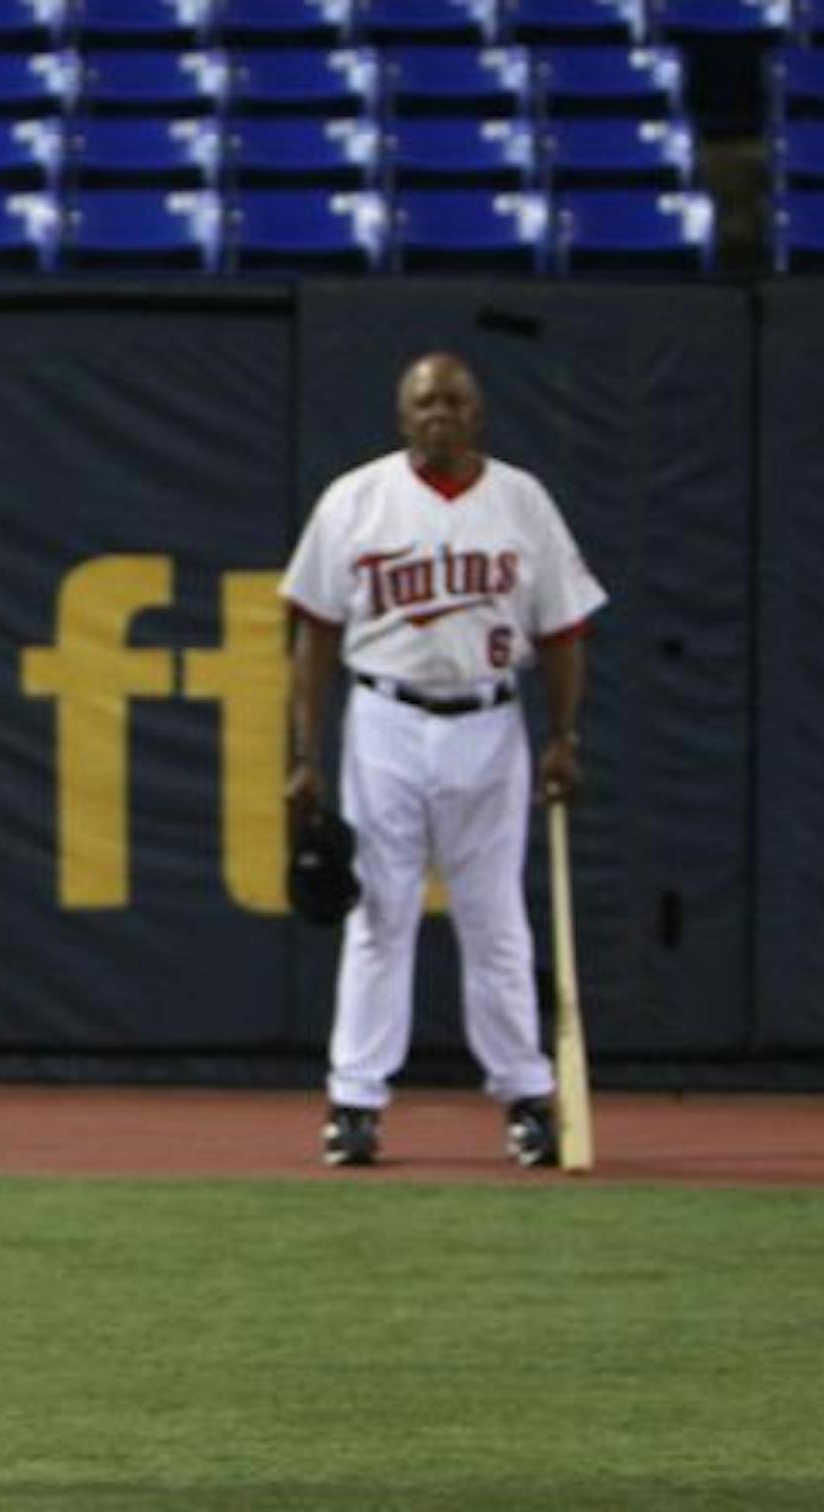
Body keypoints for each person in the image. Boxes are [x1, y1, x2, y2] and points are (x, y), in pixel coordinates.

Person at [280, 352, 606, 1171]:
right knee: (378, 913)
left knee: (495, 917)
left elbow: (564, 632)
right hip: (384, 716)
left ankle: (527, 1094)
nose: (439, 414)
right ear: (402, 416)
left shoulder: (522, 502)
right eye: (425, 402)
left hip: (491, 720)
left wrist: (565, 737)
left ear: (478, 415)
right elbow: (313, 636)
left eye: (454, 401)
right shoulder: (356, 500)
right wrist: (303, 754)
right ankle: (354, 1102)